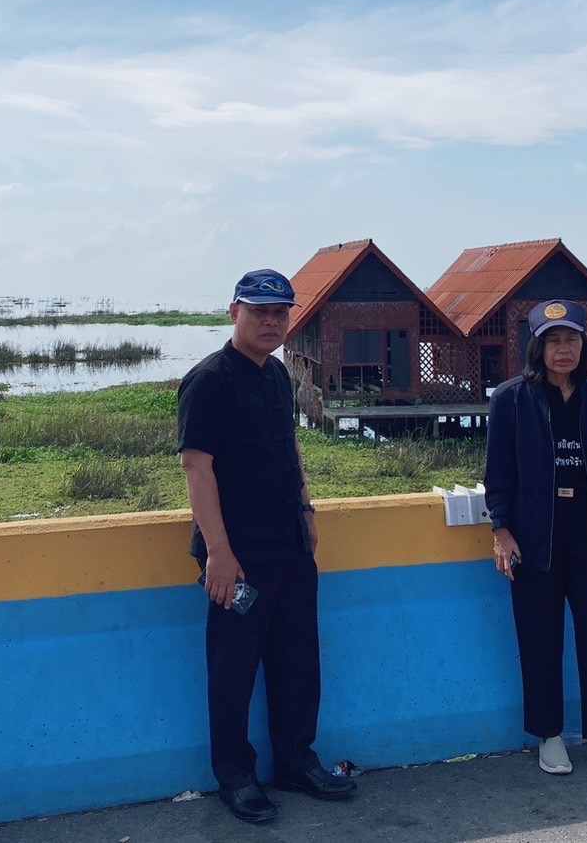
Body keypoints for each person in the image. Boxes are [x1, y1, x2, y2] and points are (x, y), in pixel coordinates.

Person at [177, 268, 357, 825]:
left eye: (280, 313)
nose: (271, 322)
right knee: (233, 668)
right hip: (239, 551)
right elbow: (196, 467)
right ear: (234, 312)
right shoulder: (210, 380)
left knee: (299, 659)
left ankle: (296, 761)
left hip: (289, 543)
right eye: (259, 311)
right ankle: (236, 776)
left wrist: (307, 510)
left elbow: (290, 448)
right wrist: (219, 552)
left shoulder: (278, 375)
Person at [485, 300, 587, 779]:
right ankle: (549, 734)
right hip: (534, 537)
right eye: (553, 340)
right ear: (536, 347)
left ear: (585, 344)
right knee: (540, 639)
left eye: (572, 339)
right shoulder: (511, 398)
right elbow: (498, 475)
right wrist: (501, 531)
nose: (564, 349)